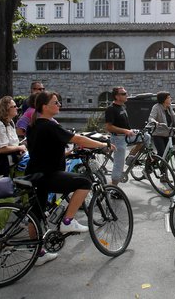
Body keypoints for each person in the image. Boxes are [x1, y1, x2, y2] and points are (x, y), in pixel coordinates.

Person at [25, 91, 112, 265]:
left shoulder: (33, 125)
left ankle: (38, 254)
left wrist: (67, 152)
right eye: (56, 102)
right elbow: (78, 138)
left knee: (35, 213)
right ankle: (68, 221)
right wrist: (103, 144)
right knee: (84, 182)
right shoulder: (49, 125)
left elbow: (43, 149)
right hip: (48, 175)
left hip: (34, 173)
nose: (59, 105)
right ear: (45, 106)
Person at [105, 86, 136, 185]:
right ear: (117, 97)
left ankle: (131, 157)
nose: (126, 95)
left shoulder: (123, 106)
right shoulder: (111, 109)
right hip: (118, 138)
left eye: (126, 93)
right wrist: (125, 131)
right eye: (123, 94)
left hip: (127, 135)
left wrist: (128, 131)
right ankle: (113, 188)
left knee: (146, 137)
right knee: (118, 165)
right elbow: (109, 127)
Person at [148, 91, 175, 158]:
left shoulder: (169, 107)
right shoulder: (156, 107)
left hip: (168, 133)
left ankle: (163, 168)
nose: (170, 99)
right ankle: (152, 162)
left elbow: (174, 117)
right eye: (168, 98)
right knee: (162, 153)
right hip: (158, 134)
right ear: (163, 99)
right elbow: (151, 118)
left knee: (168, 153)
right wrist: (155, 122)